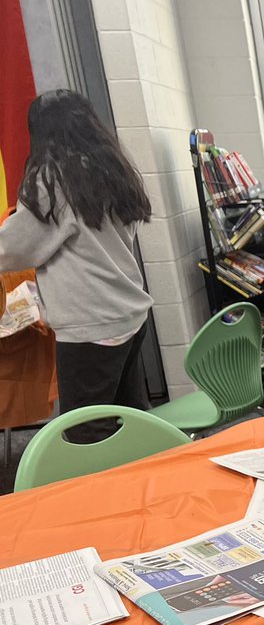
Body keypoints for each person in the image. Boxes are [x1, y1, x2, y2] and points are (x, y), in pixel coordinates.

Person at [0, 89, 154, 443]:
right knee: (128, 419)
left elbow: (14, 249)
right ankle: (142, 488)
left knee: (86, 433)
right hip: (127, 315)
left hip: (90, 325)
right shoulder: (110, 168)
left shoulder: (53, 180)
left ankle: (107, 495)